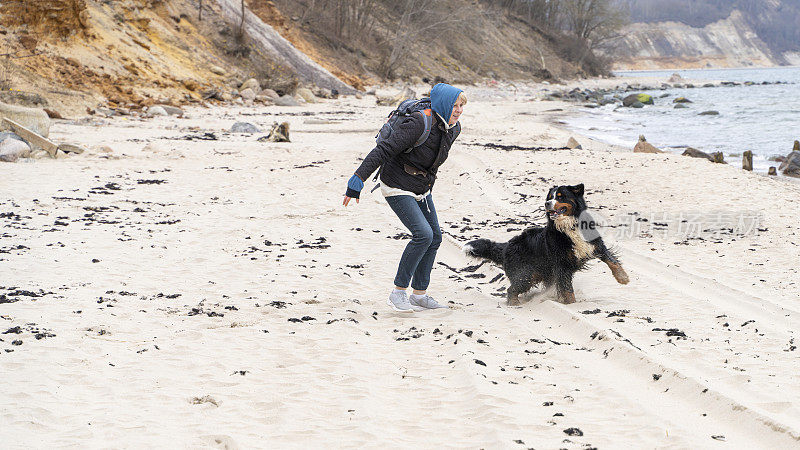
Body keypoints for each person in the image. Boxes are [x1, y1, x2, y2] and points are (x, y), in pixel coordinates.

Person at [343, 83, 466, 312]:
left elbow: (433, 160)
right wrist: (357, 179)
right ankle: (398, 292)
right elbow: (384, 150)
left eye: (461, 106)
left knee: (435, 237)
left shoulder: (453, 128)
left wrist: (426, 185)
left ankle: (419, 295)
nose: (458, 110)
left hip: (421, 187)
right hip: (397, 184)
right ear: (443, 104)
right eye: (454, 105)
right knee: (423, 235)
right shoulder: (419, 122)